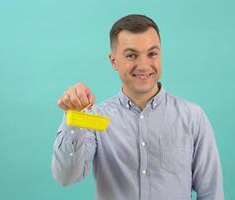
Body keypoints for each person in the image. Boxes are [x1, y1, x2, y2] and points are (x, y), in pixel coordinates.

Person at [52, 14, 224, 200]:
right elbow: (66, 177)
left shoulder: (193, 117)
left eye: (152, 54)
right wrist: (74, 117)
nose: (143, 65)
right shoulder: (95, 118)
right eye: (131, 55)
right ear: (113, 61)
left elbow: (211, 193)